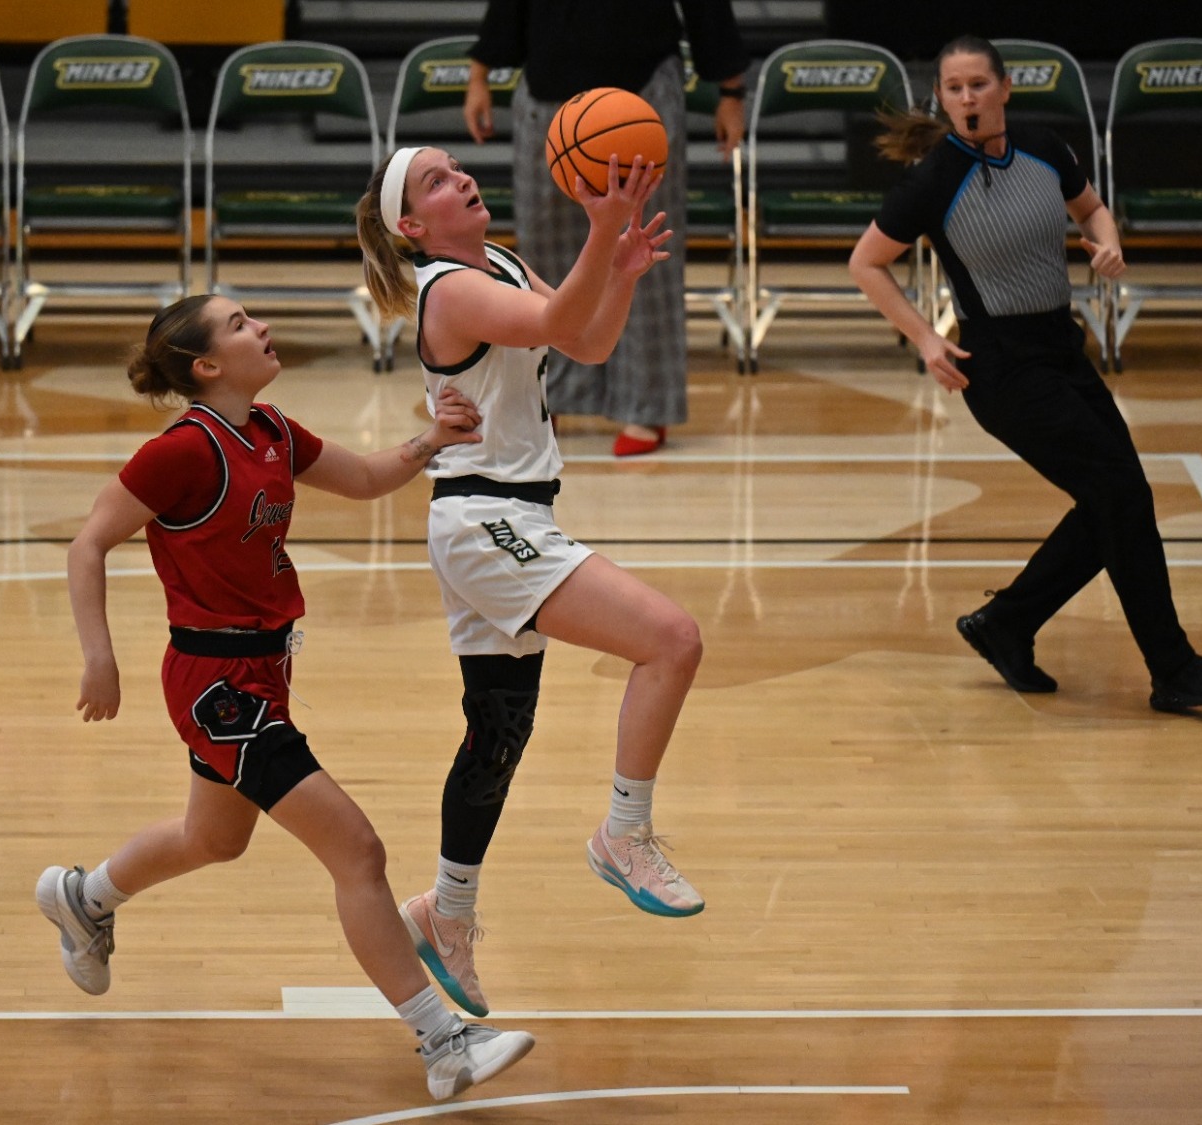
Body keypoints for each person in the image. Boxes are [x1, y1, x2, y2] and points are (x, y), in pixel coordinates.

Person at [38, 294, 534, 1101]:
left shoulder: (270, 431)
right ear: (205, 366)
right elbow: (89, 540)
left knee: (213, 838)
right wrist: (100, 656)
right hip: (218, 687)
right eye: (238, 324)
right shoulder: (180, 453)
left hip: (265, 671)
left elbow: (368, 477)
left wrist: (431, 440)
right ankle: (444, 1043)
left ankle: (83, 897)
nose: (260, 327)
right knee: (357, 850)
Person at [356, 145, 706, 1018]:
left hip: (509, 515)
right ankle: (624, 834)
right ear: (413, 227)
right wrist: (600, 231)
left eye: (456, 168)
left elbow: (585, 337)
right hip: (484, 517)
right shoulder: (447, 285)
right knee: (671, 639)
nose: (461, 179)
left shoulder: (503, 262)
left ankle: (447, 912)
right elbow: (554, 324)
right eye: (435, 182)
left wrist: (615, 267)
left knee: (499, 731)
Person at [846, 36, 1202, 714]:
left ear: (1006, 88)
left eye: (979, 84)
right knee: (1119, 492)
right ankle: (1172, 666)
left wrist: (1109, 241)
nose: (968, 98)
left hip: (1061, 349)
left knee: (1118, 499)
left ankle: (1006, 623)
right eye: (954, 88)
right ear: (941, 99)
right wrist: (924, 338)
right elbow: (865, 262)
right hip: (999, 367)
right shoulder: (935, 177)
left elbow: (1090, 208)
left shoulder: (1045, 148)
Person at [463, 0, 748, 456]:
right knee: (543, 260)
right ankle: (549, 394)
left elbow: (708, 10)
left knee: (642, 250)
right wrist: (479, 74)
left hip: (642, 93)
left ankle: (647, 405)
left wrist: (731, 94)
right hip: (547, 93)